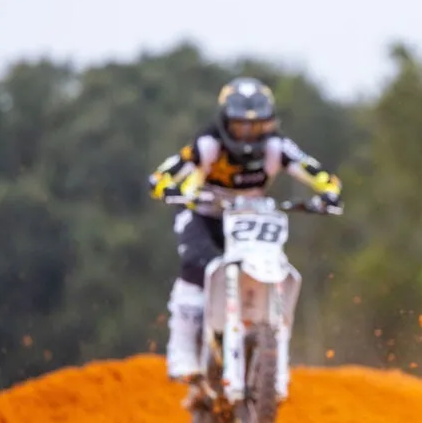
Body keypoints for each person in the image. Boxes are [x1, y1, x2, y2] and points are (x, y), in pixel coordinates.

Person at [146, 76, 342, 382]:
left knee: (271, 267)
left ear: (269, 123)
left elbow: (319, 175)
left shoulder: (278, 147)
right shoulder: (208, 144)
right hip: (204, 213)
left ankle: (270, 353)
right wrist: (167, 188)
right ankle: (182, 354)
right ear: (226, 122)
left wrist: (329, 194)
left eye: (257, 125)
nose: (249, 133)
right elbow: (162, 175)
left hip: (250, 218)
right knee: (197, 264)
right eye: (241, 125)